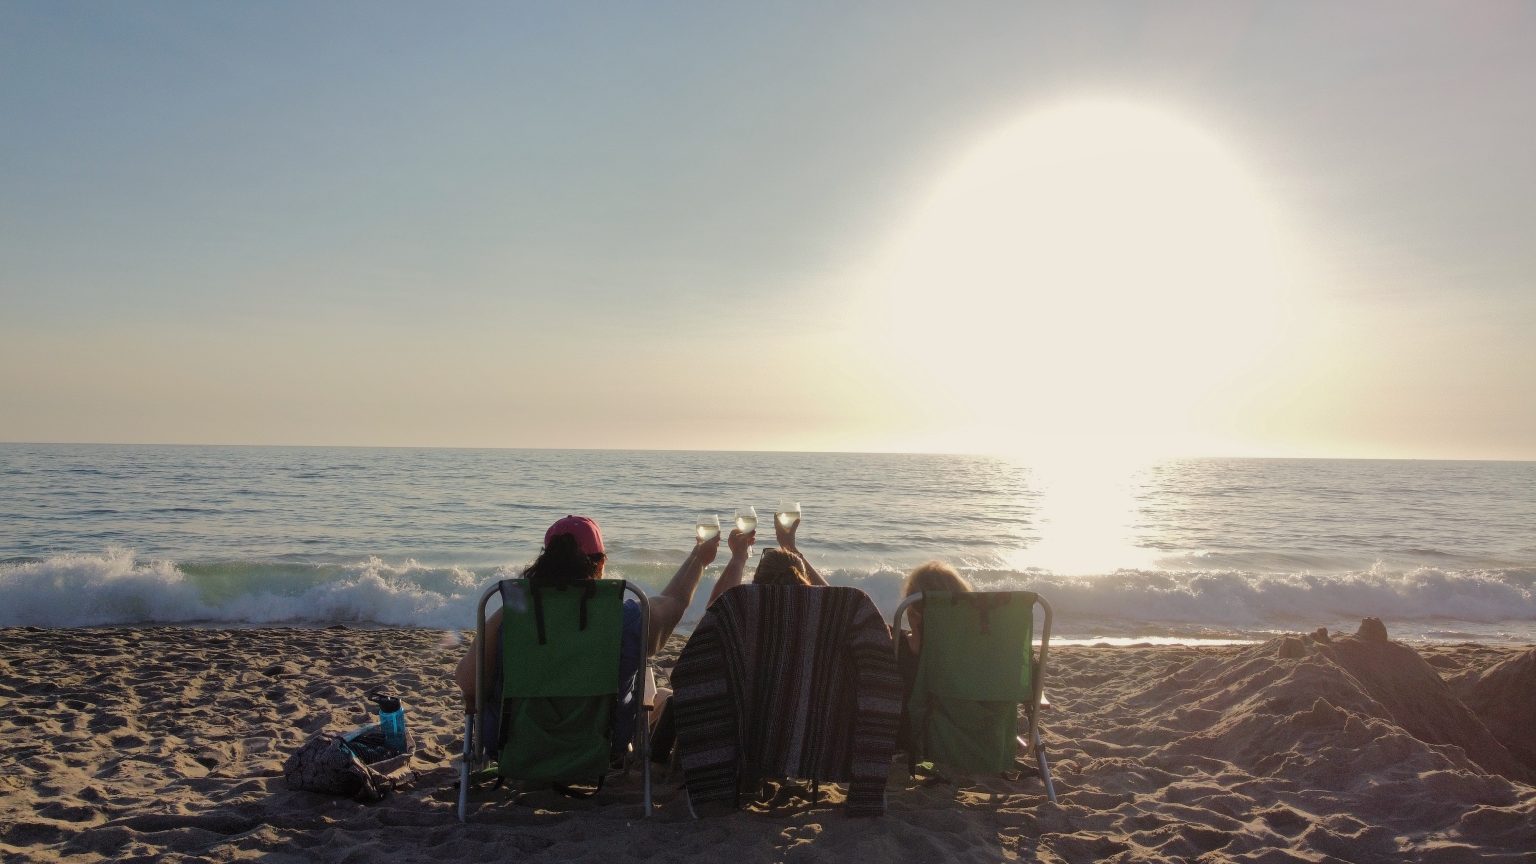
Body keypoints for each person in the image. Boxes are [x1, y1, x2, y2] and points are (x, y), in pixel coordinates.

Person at [453, 515, 721, 734]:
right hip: (603, 744)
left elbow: (469, 684)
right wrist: (699, 559)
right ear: (601, 563)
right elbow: (674, 601)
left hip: (516, 742)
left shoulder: (512, 618)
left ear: (545, 561)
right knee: (654, 692)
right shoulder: (625, 619)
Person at [895, 561, 973, 755]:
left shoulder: (899, 649)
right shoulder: (976, 653)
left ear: (911, 611)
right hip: (972, 736)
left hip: (912, 736)